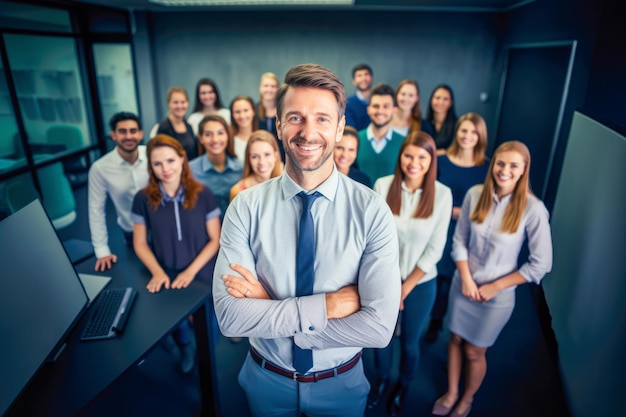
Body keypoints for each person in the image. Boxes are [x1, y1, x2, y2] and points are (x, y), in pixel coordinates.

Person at [213, 63, 401, 417]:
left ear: (342, 127)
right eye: (296, 118)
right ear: (279, 126)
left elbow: (377, 329)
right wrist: (327, 307)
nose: (308, 131)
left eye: (322, 119)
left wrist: (271, 309)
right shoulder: (245, 207)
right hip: (265, 382)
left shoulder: (373, 210)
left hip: (341, 385)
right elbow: (231, 319)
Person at [432, 141, 552, 417]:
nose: (504, 170)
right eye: (500, 163)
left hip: (496, 296)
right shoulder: (475, 194)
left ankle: (467, 399)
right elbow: (459, 241)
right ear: (492, 164)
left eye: (513, 166)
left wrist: (495, 286)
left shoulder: (533, 209)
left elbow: (541, 264)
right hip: (463, 284)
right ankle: (451, 393)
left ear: (524, 170)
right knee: (454, 339)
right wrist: (465, 278)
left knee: (475, 352)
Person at [369, 132, 452, 416]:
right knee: (381, 337)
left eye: (422, 157)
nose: (414, 163)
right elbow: (374, 240)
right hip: (383, 278)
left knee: (410, 342)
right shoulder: (383, 186)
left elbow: (435, 249)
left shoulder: (442, 195)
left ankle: (403, 384)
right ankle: (380, 379)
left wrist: (404, 289)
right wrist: (391, 285)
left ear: (431, 161)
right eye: (408, 156)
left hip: (421, 283)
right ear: (400, 156)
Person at [131, 134, 221, 374]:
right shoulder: (142, 199)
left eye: (170, 160)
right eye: (157, 163)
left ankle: (207, 357)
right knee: (178, 322)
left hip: (202, 272)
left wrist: (190, 272)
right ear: (150, 166)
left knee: (209, 323)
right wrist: (158, 272)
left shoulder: (203, 194)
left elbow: (215, 239)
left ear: (182, 159)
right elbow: (139, 243)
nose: (165, 169)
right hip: (168, 272)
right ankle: (184, 349)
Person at [425, 112, 490, 343]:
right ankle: (434, 321)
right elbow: (428, 194)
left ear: (480, 136)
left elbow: (488, 203)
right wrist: (454, 211)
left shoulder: (487, 167)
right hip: (441, 226)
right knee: (439, 279)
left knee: (464, 278)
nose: (468, 136)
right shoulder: (441, 161)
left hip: (472, 233)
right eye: (464, 130)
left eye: (474, 132)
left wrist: (460, 212)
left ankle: (460, 330)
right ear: (457, 132)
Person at [88, 111, 149, 271]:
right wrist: (102, 251)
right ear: (113, 135)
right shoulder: (100, 168)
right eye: (122, 131)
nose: (129, 136)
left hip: (162, 229)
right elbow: (96, 211)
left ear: (141, 134)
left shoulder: (152, 155)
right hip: (131, 232)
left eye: (133, 131)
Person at [189, 114, 243, 219]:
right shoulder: (190, 170)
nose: (215, 139)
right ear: (200, 138)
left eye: (220, 133)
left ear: (228, 135)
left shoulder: (242, 167)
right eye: (208, 134)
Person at [356, 83, 406, 184]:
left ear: (394, 110)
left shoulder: (404, 142)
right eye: (375, 106)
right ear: (368, 109)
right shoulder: (356, 139)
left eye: (386, 106)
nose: (380, 111)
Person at [230, 129, 283, 201]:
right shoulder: (238, 192)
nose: (262, 162)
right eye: (255, 157)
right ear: (248, 159)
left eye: (267, 154)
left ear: (275, 156)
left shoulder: (284, 181)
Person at [151, 87, 198, 159]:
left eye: (183, 102)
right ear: (168, 104)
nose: (180, 106)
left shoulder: (189, 127)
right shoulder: (163, 128)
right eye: (175, 102)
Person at [422, 84, 458, 150]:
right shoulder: (423, 124)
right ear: (431, 100)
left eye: (445, 99)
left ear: (451, 103)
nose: (440, 102)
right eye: (437, 98)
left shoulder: (457, 126)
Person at [345, 63, 373, 131]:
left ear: (372, 78)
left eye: (366, 74)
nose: (363, 78)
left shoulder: (379, 102)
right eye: (359, 76)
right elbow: (350, 130)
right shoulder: (348, 103)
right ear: (354, 81)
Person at [230, 95, 259, 161]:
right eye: (237, 112)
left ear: (253, 112)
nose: (242, 116)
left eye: (246, 110)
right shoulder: (229, 141)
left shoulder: (263, 138)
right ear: (232, 115)